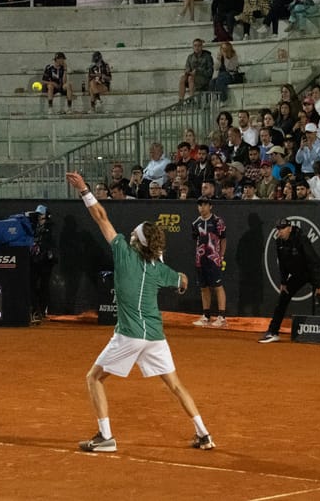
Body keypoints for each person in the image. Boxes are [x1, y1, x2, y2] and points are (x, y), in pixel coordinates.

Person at [65, 171, 215, 453]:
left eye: (135, 232)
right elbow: (183, 280)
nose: (131, 232)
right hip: (155, 336)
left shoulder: (122, 250)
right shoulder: (160, 269)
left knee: (93, 378)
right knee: (174, 385)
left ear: (137, 240)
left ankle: (105, 436)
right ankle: (204, 434)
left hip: (129, 334)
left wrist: (85, 189)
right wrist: (178, 282)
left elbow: (100, 217)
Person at [259, 218, 320, 346]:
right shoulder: (279, 242)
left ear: (289, 228)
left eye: (282, 229)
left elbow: (314, 262)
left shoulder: (301, 239)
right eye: (278, 229)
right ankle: (273, 332)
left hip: (311, 272)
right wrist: (284, 282)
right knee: (283, 298)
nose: (279, 232)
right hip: (298, 275)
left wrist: (319, 285)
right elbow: (282, 263)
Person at [191, 195, 227, 328]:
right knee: (203, 288)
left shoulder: (218, 221)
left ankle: (222, 317)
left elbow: (223, 239)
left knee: (218, 286)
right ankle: (206, 316)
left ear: (210, 206)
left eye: (205, 204)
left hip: (214, 259)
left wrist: (221, 256)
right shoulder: (195, 223)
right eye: (200, 205)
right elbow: (197, 241)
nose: (202, 207)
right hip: (200, 260)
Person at [29, 204, 55, 323]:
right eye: (38, 215)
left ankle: (42, 311)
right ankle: (35, 310)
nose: (40, 217)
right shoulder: (31, 227)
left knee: (44, 286)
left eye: (42, 215)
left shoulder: (51, 228)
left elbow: (51, 245)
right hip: (34, 262)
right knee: (33, 285)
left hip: (45, 263)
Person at [178, 38, 213, 103]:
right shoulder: (190, 57)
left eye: (199, 45)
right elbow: (187, 67)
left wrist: (198, 71)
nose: (197, 47)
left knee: (191, 78)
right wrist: (187, 71)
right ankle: (181, 100)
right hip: (191, 77)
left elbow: (210, 72)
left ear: (202, 46)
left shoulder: (207, 57)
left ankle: (191, 99)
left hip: (203, 78)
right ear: (193, 47)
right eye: (195, 45)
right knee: (182, 78)